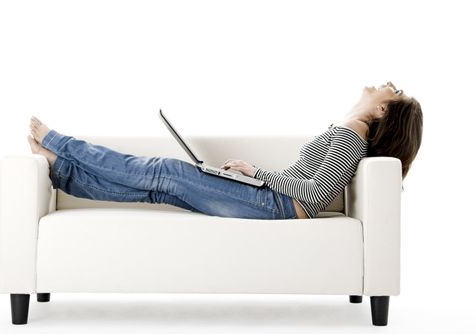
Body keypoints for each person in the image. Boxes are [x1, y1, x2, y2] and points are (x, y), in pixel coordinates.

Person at [27, 81, 423, 220]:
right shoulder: (348, 129)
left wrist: (256, 174)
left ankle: (59, 144)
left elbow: (316, 196)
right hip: (271, 201)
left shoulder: (353, 132)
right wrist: (249, 176)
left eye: (395, 89)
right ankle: (62, 171)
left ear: (384, 109)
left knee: (166, 172)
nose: (385, 83)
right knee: (160, 188)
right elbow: (312, 184)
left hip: (274, 206)